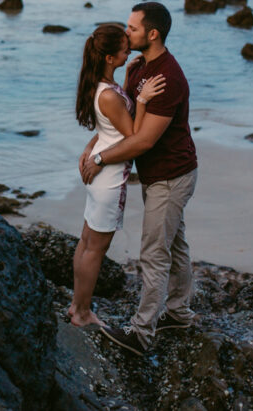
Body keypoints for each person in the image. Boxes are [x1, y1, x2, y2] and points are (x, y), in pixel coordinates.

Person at [78, 1, 198, 356]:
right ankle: (179, 313)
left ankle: (141, 335)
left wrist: (99, 157)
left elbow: (142, 140)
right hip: (156, 175)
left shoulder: (167, 78)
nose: (126, 33)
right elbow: (117, 121)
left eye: (132, 28)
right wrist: (91, 146)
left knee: (153, 254)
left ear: (153, 33)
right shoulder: (138, 68)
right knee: (175, 245)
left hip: (171, 176)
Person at [68, 23, 166, 329]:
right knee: (95, 249)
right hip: (109, 179)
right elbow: (133, 135)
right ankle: (82, 313)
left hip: (100, 175)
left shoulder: (102, 86)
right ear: (110, 57)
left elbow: (106, 129)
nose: (130, 49)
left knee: (86, 242)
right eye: (124, 47)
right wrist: (142, 99)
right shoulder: (109, 96)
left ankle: (76, 305)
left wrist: (125, 82)